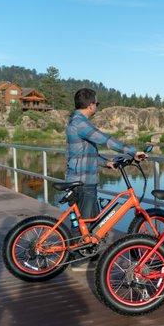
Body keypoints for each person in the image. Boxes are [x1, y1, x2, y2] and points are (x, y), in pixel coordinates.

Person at [65, 88, 147, 242]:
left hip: (81, 179)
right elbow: (105, 140)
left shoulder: (76, 122)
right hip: (83, 182)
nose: (97, 106)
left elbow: (84, 154)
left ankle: (90, 254)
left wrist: (106, 163)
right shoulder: (80, 123)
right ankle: (76, 259)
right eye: (97, 103)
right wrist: (132, 152)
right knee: (83, 225)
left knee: (92, 224)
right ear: (90, 105)